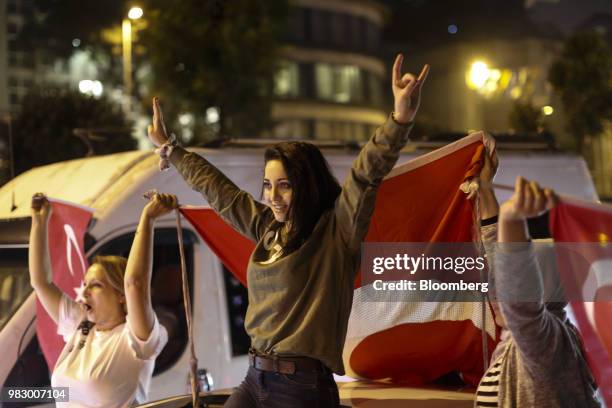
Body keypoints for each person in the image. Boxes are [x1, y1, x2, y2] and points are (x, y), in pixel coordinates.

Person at [148, 54, 429, 407]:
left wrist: (399, 120)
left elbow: (365, 174)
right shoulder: (267, 228)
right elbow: (219, 191)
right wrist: (172, 150)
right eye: (268, 185)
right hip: (254, 378)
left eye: (285, 185)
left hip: (302, 388)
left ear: (306, 185)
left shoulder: (335, 232)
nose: (273, 197)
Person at [29, 192, 173, 407]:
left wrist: (148, 219)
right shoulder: (82, 325)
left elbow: (135, 283)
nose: (84, 292)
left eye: (96, 285)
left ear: (122, 296)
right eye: (85, 284)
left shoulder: (136, 338)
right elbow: (40, 282)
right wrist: (39, 222)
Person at [476, 165, 600, 407]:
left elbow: (521, 304)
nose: (494, 295)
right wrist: (485, 190)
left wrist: (512, 220)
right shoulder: (536, 339)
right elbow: (498, 260)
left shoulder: (547, 342)